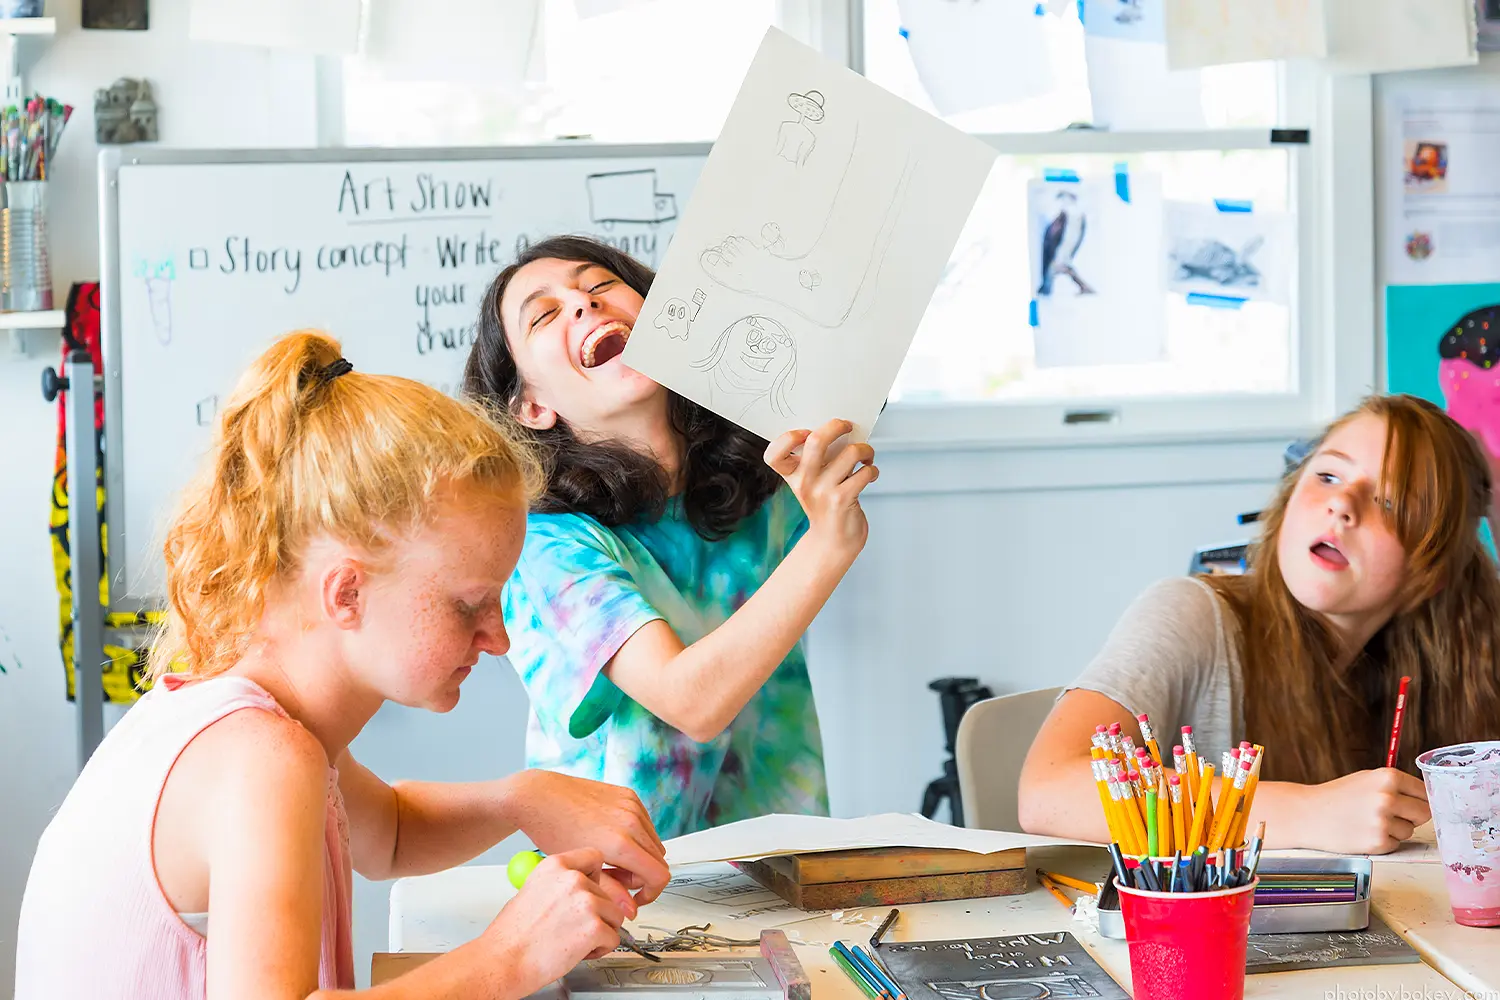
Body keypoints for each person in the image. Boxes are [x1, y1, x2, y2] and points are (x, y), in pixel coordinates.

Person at [16, 331, 671, 999]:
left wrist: (524, 797)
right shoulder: (260, 758)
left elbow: (386, 833)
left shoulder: (252, 715)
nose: (497, 639)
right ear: (347, 592)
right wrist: (508, 958)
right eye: (470, 603)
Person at [463, 235, 878, 838]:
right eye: (545, 314)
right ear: (531, 407)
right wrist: (829, 545)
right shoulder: (543, 546)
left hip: (783, 861)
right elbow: (692, 703)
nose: (583, 304)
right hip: (626, 891)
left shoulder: (766, 484)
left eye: (600, 284)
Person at [1019, 394, 1500, 855]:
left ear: (1431, 573)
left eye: (1391, 502)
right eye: (1328, 475)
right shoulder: (1194, 612)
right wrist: (1310, 813)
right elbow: (1048, 788)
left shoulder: (1450, 664)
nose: (1342, 504)